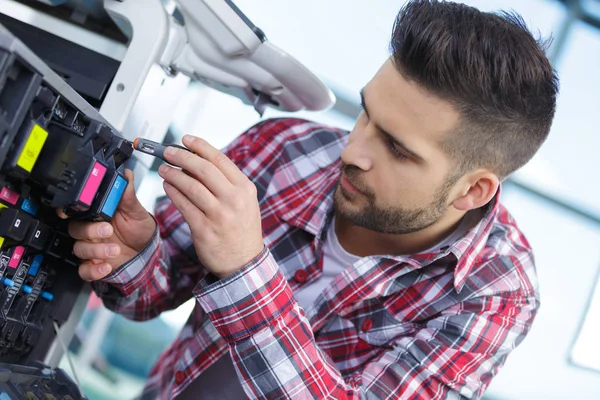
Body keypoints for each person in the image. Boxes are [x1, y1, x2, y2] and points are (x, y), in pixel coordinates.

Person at [67, 1, 558, 398]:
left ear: (473, 191)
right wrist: (136, 252)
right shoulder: (282, 148)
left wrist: (245, 271)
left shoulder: (495, 291)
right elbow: (155, 291)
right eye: (365, 114)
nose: (353, 151)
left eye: (396, 149)